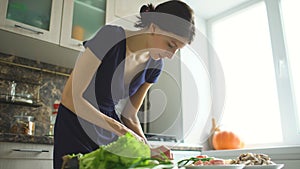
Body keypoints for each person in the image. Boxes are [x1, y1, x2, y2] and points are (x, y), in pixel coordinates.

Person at [54, 0, 195, 168]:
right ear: (153, 27)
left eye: (177, 49)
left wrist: (149, 149)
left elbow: (129, 115)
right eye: (170, 45)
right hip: (75, 125)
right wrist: (122, 131)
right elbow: (71, 97)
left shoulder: (155, 65)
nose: (171, 55)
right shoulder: (110, 37)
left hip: (107, 132)